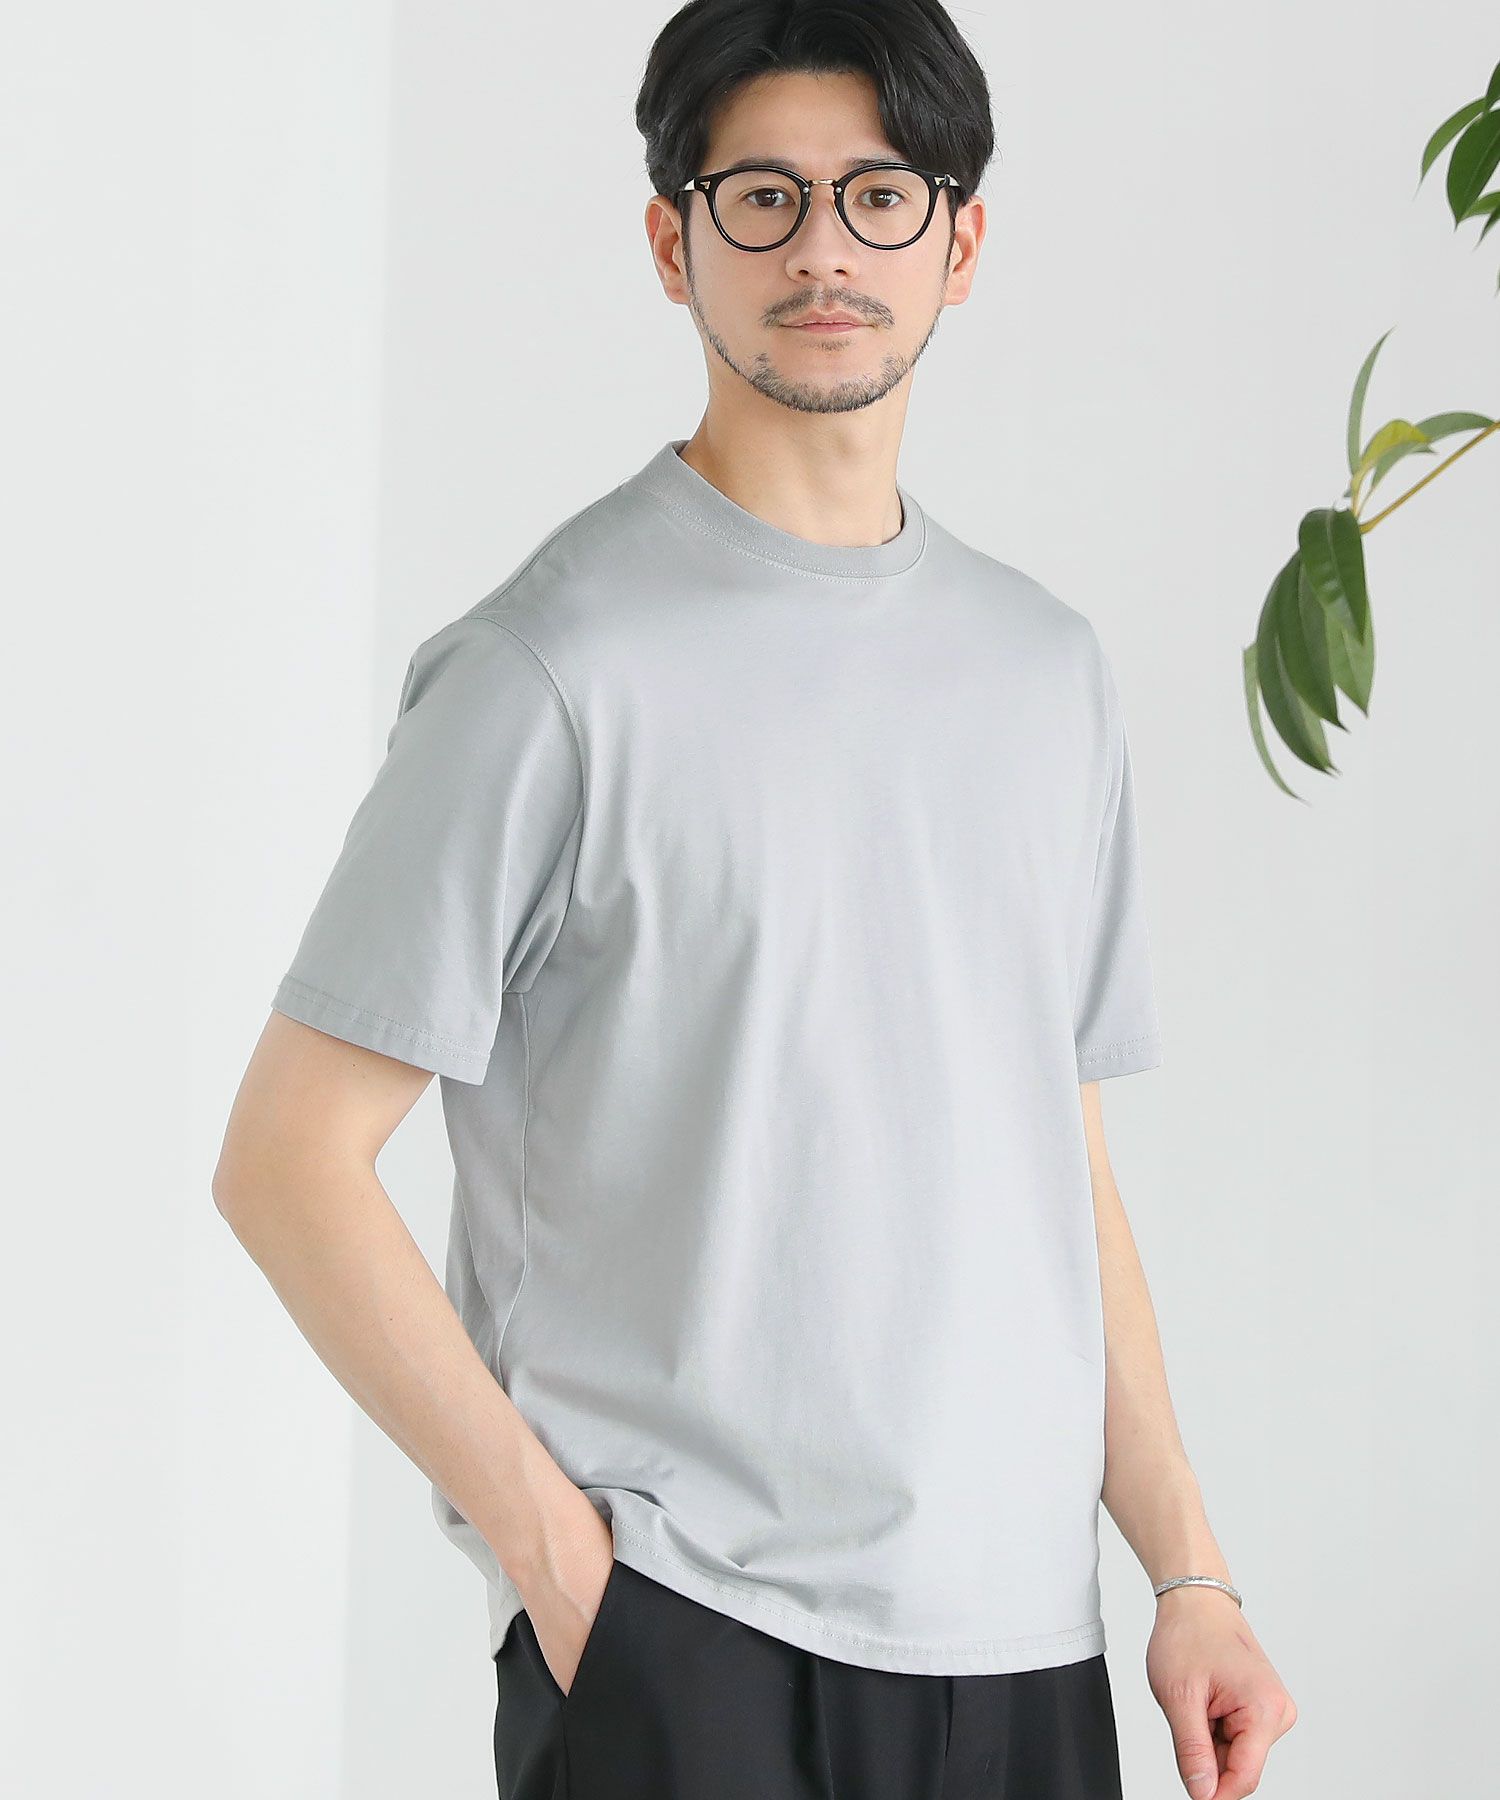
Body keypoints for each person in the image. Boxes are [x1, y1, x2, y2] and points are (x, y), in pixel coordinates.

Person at [213, 2, 1298, 1795]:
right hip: (688, 1641)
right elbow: (287, 1161)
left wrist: (1188, 1570)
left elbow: (1061, 1167)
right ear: (674, 244)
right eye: (764, 197)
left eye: (880, 197)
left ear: (960, 244)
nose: (823, 251)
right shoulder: (550, 670)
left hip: (1031, 1645)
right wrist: (565, 1571)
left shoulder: (1047, 675)